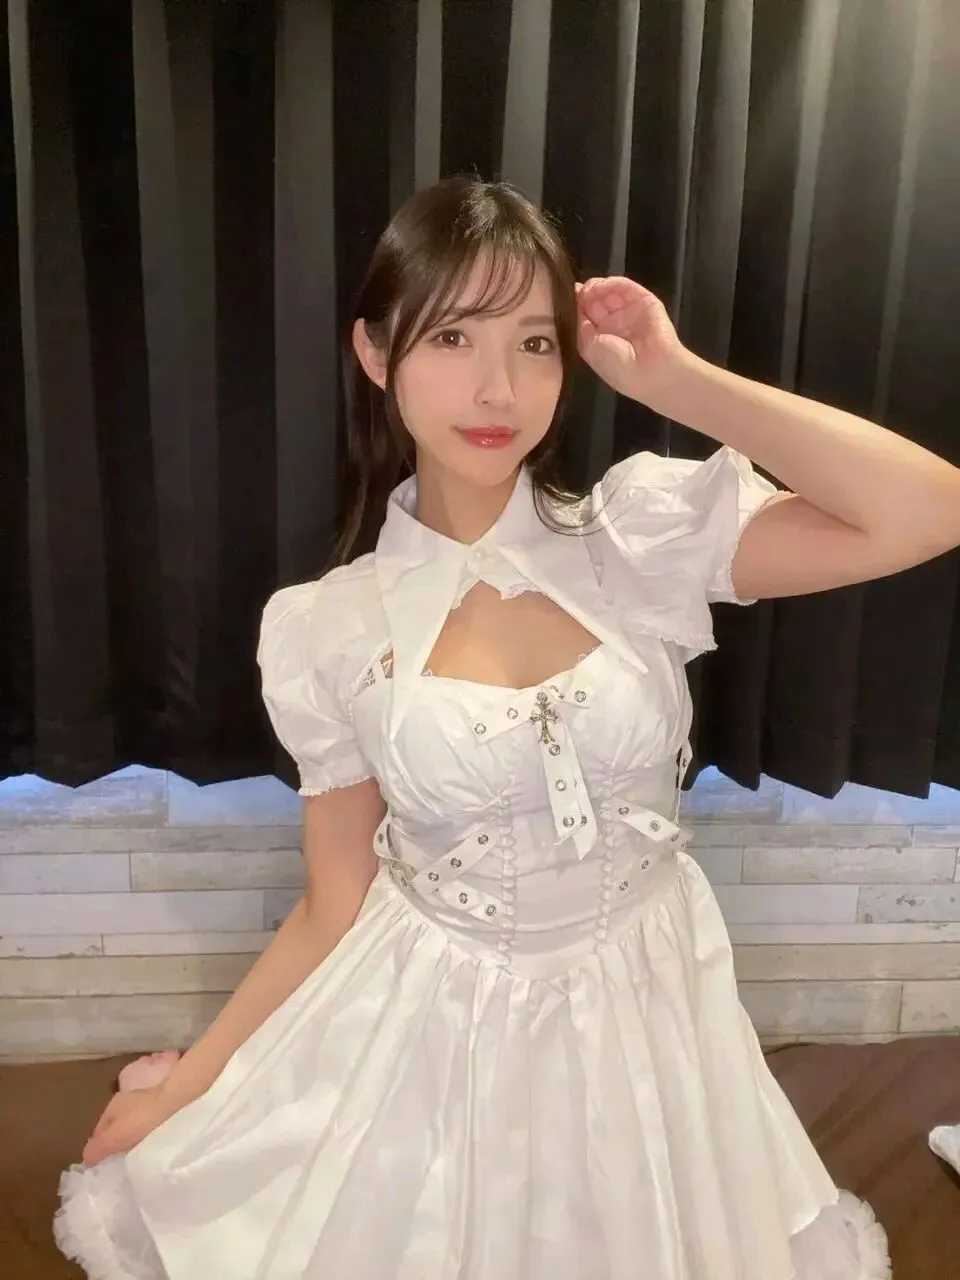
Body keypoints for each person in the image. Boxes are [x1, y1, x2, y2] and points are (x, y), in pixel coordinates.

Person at [53, 175, 960, 1279]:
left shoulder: (635, 538)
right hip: (439, 1038)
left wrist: (679, 379)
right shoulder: (326, 628)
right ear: (376, 353)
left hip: (653, 1022)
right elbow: (335, 900)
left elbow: (927, 509)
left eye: (535, 343)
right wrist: (192, 1085)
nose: (498, 387)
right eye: (451, 337)